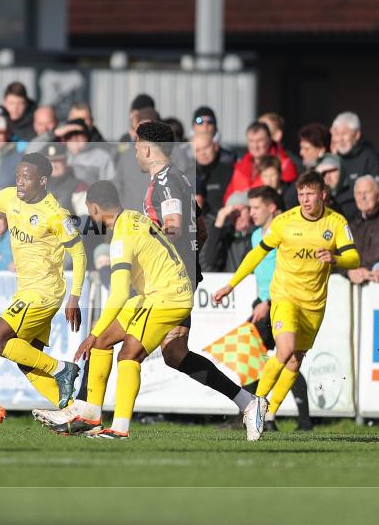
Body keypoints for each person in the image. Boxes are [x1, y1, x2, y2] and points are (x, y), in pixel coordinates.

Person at [49, 181, 263, 439]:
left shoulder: (121, 237)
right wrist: (97, 336)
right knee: (115, 345)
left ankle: (120, 429)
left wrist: (91, 332)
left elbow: (117, 294)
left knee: (128, 354)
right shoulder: (133, 218)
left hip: (167, 297)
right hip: (158, 292)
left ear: (94, 208)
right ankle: (90, 414)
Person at [214, 171, 360, 431]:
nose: (304, 199)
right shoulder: (284, 222)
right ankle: (255, 406)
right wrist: (230, 284)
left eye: (310, 194)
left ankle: (268, 415)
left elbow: (354, 258)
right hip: (283, 297)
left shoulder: (336, 223)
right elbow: (256, 254)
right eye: (301, 194)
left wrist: (336, 259)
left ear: (323, 195)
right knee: (285, 349)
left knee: (295, 360)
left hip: (313, 303)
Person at [0, 153, 87, 412]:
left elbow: (79, 255)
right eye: (18, 176)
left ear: (42, 181)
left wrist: (75, 297)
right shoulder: (9, 197)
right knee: (26, 359)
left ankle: (61, 368)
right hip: (28, 290)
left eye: (26, 177)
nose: (20, 182)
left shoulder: (56, 214)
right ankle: (72, 413)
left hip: (44, 292)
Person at [243, 186, 312, 431]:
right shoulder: (255, 235)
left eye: (256, 207)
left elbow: (289, 271)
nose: (251, 213)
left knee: (287, 357)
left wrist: (269, 302)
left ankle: (298, 419)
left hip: (279, 303)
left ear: (272, 207)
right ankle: (260, 417)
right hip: (262, 303)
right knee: (255, 359)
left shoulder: (286, 233)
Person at [223, 121, 297, 203]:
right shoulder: (240, 166)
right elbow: (227, 196)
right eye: (251, 141)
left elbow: (289, 198)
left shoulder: (284, 164)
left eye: (260, 140)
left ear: (269, 140)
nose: (255, 146)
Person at [331, 111, 379, 210]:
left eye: (344, 134)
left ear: (357, 134)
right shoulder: (333, 159)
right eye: (336, 134)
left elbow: (377, 191)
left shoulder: (371, 157)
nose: (340, 139)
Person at [201, 191, 253, 273]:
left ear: (250, 211)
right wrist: (220, 220)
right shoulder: (225, 236)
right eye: (233, 213)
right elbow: (211, 260)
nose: (237, 216)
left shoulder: (258, 234)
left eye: (240, 211)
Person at [55, 119, 115, 185]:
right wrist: (55, 133)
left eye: (78, 133)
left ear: (87, 136)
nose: (74, 138)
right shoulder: (60, 155)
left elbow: (109, 185)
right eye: (69, 135)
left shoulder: (101, 156)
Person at [42, 142, 88, 216]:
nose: (53, 165)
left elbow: (84, 218)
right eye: (50, 162)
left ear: (65, 162)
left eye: (57, 161)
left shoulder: (79, 187)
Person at [194, 129, 233, 215]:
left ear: (216, 146)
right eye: (197, 150)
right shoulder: (187, 175)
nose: (202, 153)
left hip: (224, 223)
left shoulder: (229, 172)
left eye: (206, 147)